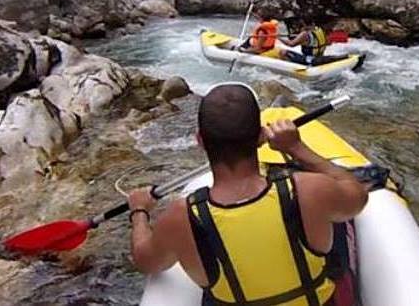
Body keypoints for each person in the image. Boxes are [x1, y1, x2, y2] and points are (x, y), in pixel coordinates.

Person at [128, 84, 368, 306]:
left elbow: (146, 261)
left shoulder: (179, 218)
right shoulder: (310, 189)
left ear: (200, 140)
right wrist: (296, 148)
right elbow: (357, 195)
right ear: (261, 136)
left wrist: (139, 211)